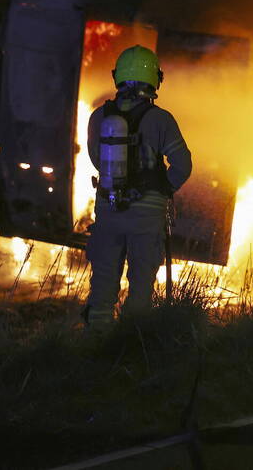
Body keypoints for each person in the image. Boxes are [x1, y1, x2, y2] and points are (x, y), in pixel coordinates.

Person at [82, 44, 192, 331]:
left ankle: (96, 345)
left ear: (118, 76)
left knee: (103, 286)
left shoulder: (98, 117)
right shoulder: (161, 119)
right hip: (147, 216)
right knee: (142, 285)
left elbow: (97, 161)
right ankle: (132, 346)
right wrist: (162, 188)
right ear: (155, 79)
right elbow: (183, 165)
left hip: (109, 210)